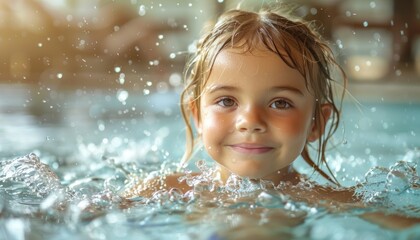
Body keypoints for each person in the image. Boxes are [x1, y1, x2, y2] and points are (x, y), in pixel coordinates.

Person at [124, 7, 420, 229]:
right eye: (227, 101)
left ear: (316, 122)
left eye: (280, 103)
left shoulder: (330, 202)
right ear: (197, 115)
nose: (250, 120)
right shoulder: (162, 191)